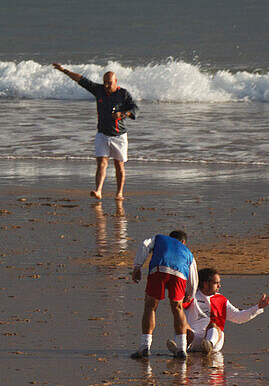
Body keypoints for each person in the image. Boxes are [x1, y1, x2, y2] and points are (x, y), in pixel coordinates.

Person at [52, 63, 139, 200]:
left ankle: (119, 193)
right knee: (101, 163)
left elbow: (135, 109)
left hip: (119, 136)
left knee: (119, 165)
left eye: (109, 83)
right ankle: (98, 191)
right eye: (105, 83)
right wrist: (64, 71)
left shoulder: (123, 94)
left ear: (116, 82)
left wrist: (123, 114)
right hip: (102, 134)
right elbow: (82, 81)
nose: (107, 86)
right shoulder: (99, 90)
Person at [130, 230, 198, 359]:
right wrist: (190, 294)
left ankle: (144, 347)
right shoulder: (188, 252)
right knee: (178, 309)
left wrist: (137, 267)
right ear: (184, 242)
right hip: (180, 274)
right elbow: (193, 275)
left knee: (150, 307)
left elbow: (145, 245)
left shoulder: (159, 238)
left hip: (159, 268)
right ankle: (181, 349)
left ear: (170, 237)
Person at [173, 269, 269, 354]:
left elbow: (238, 317)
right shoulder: (192, 296)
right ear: (206, 284)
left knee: (213, 325)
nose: (219, 285)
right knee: (183, 324)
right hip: (193, 338)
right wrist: (182, 298)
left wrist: (258, 307)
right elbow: (178, 306)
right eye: (216, 283)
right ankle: (180, 348)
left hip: (213, 339)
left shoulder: (221, 300)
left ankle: (208, 345)